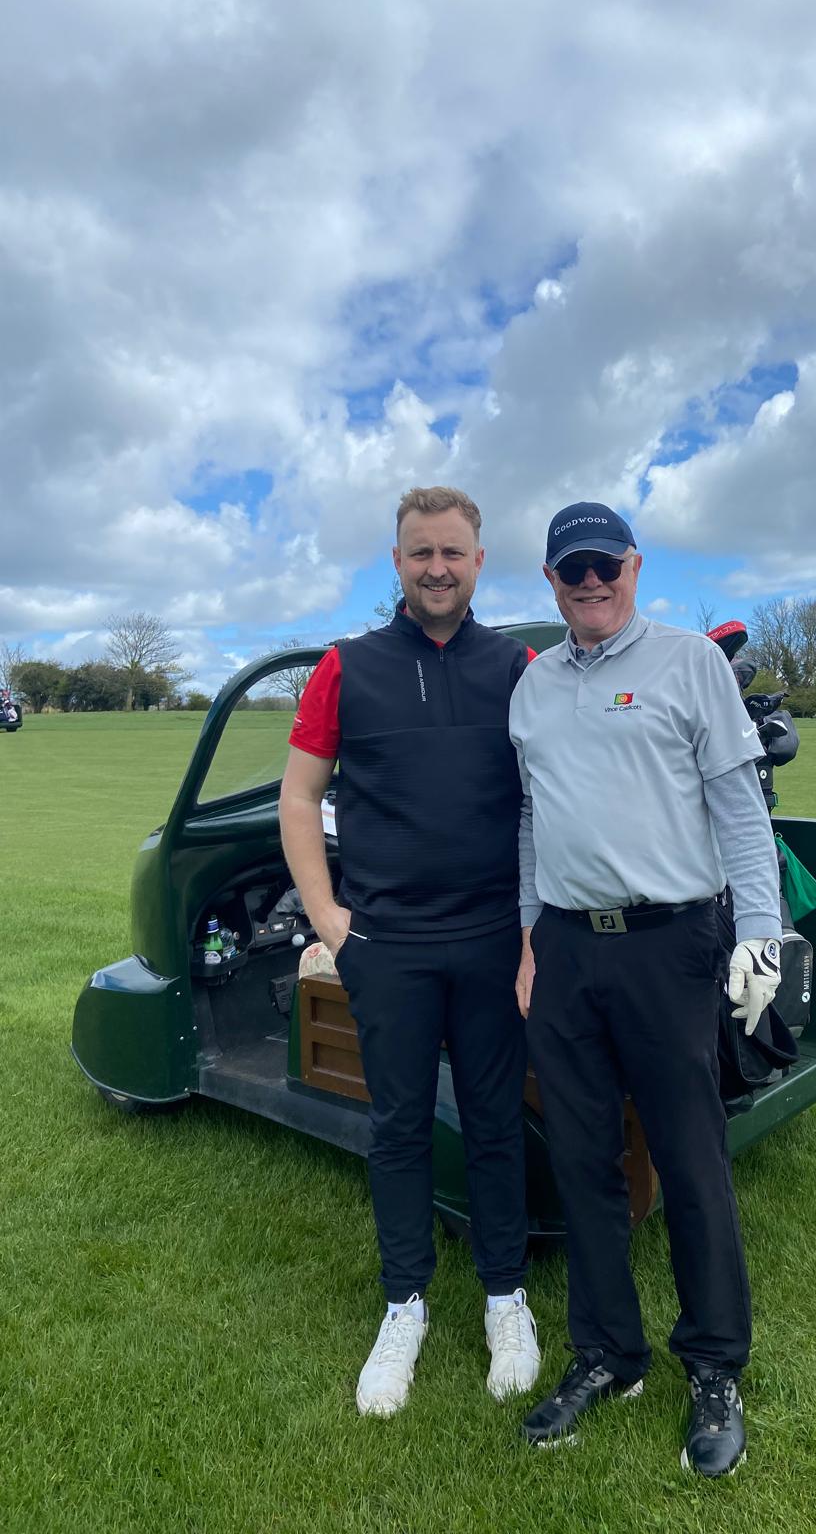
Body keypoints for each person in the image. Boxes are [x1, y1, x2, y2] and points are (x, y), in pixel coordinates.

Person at [509, 501, 783, 1477]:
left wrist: (761, 938)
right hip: (567, 950)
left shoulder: (688, 662)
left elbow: (740, 813)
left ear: (632, 567)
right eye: (571, 570)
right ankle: (606, 1353)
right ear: (551, 581)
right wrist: (529, 937)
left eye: (604, 566)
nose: (590, 583)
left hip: (671, 945)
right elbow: (534, 821)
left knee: (690, 1160)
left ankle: (713, 1365)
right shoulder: (534, 686)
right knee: (584, 1162)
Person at [280, 485, 541, 1416]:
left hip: (491, 938)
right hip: (385, 944)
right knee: (397, 1127)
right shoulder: (346, 667)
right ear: (396, 562)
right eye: (420, 552)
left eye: (452, 553)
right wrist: (329, 918)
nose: (437, 568)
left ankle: (506, 1299)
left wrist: (531, 936)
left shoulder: (517, 668)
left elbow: (547, 801)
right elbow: (300, 796)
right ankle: (405, 1306)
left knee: (495, 1122)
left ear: (479, 562)